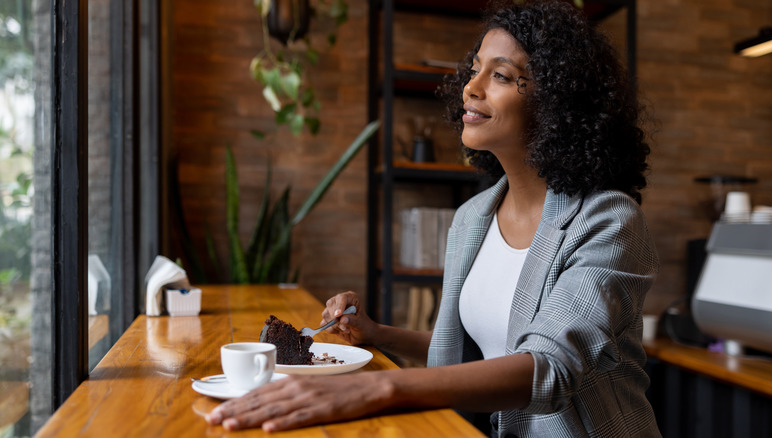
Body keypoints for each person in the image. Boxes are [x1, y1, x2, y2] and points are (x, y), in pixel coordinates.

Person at [205, 0, 660, 436]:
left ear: (559, 102)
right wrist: (378, 334)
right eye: (475, 68)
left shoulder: (607, 221)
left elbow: (549, 368)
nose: (471, 86)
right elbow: (470, 353)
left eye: (499, 74)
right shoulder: (471, 219)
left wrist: (377, 387)